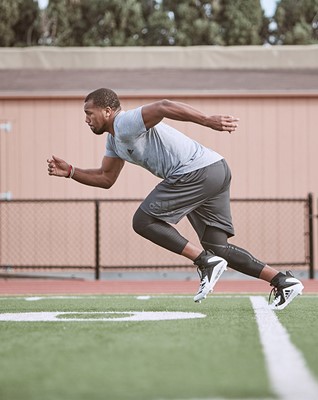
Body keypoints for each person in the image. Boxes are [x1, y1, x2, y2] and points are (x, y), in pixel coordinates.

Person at [47, 88, 303, 309]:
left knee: (143, 221)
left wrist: (208, 120)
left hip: (196, 171)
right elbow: (106, 178)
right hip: (215, 169)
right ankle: (282, 280)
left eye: (89, 113)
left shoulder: (124, 123)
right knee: (218, 247)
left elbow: (163, 106)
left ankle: (205, 262)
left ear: (107, 111)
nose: (86, 119)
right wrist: (71, 172)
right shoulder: (115, 141)